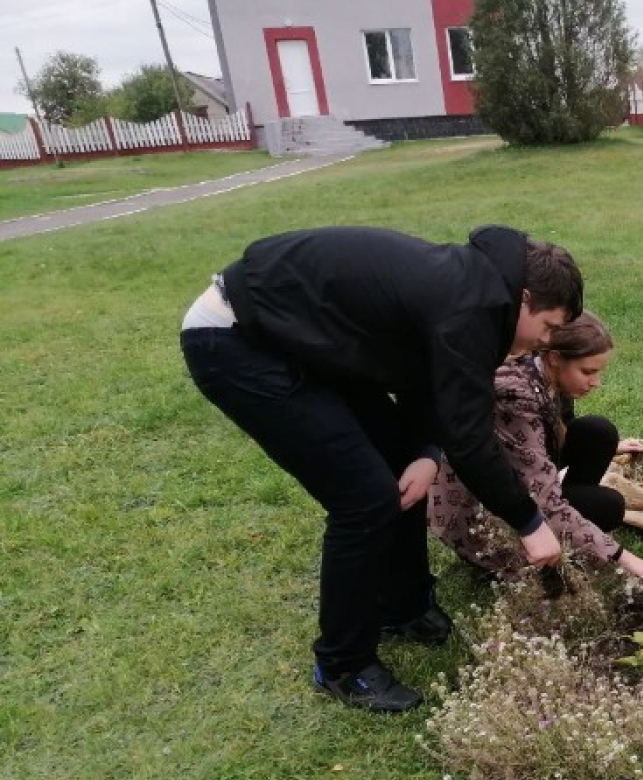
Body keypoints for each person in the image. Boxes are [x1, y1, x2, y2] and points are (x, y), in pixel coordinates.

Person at [180, 224, 584, 714]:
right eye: (547, 327)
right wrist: (529, 523)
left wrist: (423, 452)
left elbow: (424, 369)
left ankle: (405, 607)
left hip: (305, 338)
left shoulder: (476, 289)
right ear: (524, 298)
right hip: (239, 340)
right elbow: (471, 438)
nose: (544, 342)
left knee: (403, 466)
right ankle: (342, 665)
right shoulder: (472, 307)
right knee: (365, 498)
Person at [429, 310, 643, 586]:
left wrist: (613, 448)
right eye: (588, 371)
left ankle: (573, 521)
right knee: (608, 507)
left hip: (517, 475)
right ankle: (556, 539)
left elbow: (558, 427)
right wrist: (624, 558)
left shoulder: (543, 369)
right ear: (554, 359)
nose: (596, 382)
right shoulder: (516, 398)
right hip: (483, 513)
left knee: (598, 433)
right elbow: (544, 501)